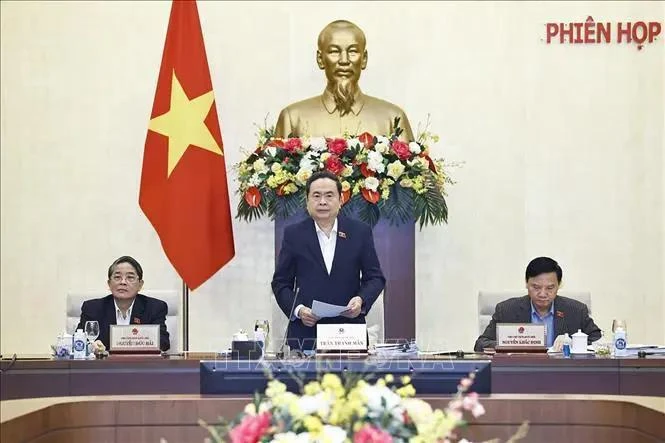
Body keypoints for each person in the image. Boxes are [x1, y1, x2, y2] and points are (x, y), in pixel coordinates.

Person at [271, 170, 386, 351]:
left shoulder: (359, 232)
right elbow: (280, 283)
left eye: (329, 195)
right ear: (307, 201)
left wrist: (361, 300)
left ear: (341, 200)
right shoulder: (294, 235)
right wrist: (299, 310)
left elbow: (375, 278)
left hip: (349, 335)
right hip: (306, 335)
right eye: (316, 196)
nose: (322, 201)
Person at [275, 19, 414, 141]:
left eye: (353, 51)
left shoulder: (392, 118)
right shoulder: (292, 118)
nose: (344, 60)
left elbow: (416, 170)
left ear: (364, 59)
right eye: (334, 51)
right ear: (320, 59)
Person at [474, 257, 601, 352]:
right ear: (526, 283)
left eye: (550, 288)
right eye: (536, 287)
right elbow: (480, 344)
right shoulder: (507, 310)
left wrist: (573, 342)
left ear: (559, 285)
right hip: (520, 376)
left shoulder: (576, 310)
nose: (542, 294)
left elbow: (598, 340)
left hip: (564, 376)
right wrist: (509, 344)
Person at [76, 256, 170, 351]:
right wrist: (91, 346)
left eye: (130, 277)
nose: (123, 282)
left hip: (141, 364)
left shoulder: (154, 308)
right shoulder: (92, 308)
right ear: (109, 283)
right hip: (104, 365)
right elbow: (78, 341)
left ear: (140, 285)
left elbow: (163, 342)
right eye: (117, 277)